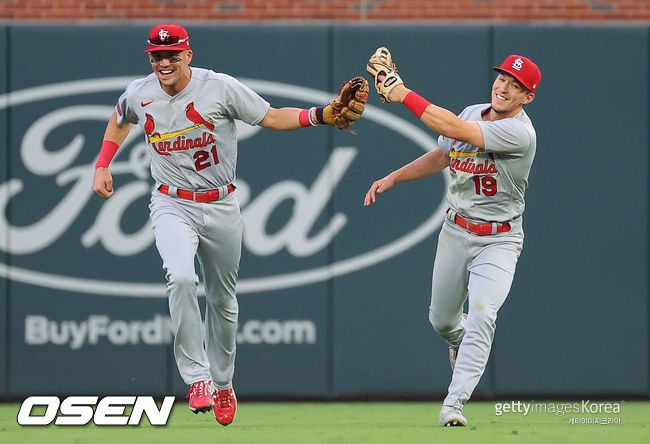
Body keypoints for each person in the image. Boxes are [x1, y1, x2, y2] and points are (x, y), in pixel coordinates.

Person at [92, 23, 366, 426]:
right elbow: (120, 119)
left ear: (188, 54)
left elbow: (271, 117)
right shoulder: (140, 92)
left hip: (220, 204)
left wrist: (321, 115)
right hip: (171, 200)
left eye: (172, 54)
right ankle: (197, 378)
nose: (164, 62)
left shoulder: (218, 87)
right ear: (149, 58)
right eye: (157, 56)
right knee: (181, 278)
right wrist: (102, 164)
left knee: (223, 301)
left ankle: (223, 383)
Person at [364, 48, 541, 427]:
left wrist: (402, 93)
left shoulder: (519, 132)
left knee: (482, 313)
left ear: (528, 97)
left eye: (517, 86)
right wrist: (394, 176)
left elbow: (455, 131)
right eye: (503, 78)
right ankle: (455, 338)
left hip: (499, 240)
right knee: (442, 320)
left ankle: (454, 404)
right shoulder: (471, 111)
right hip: (456, 230)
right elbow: (445, 153)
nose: (505, 88)